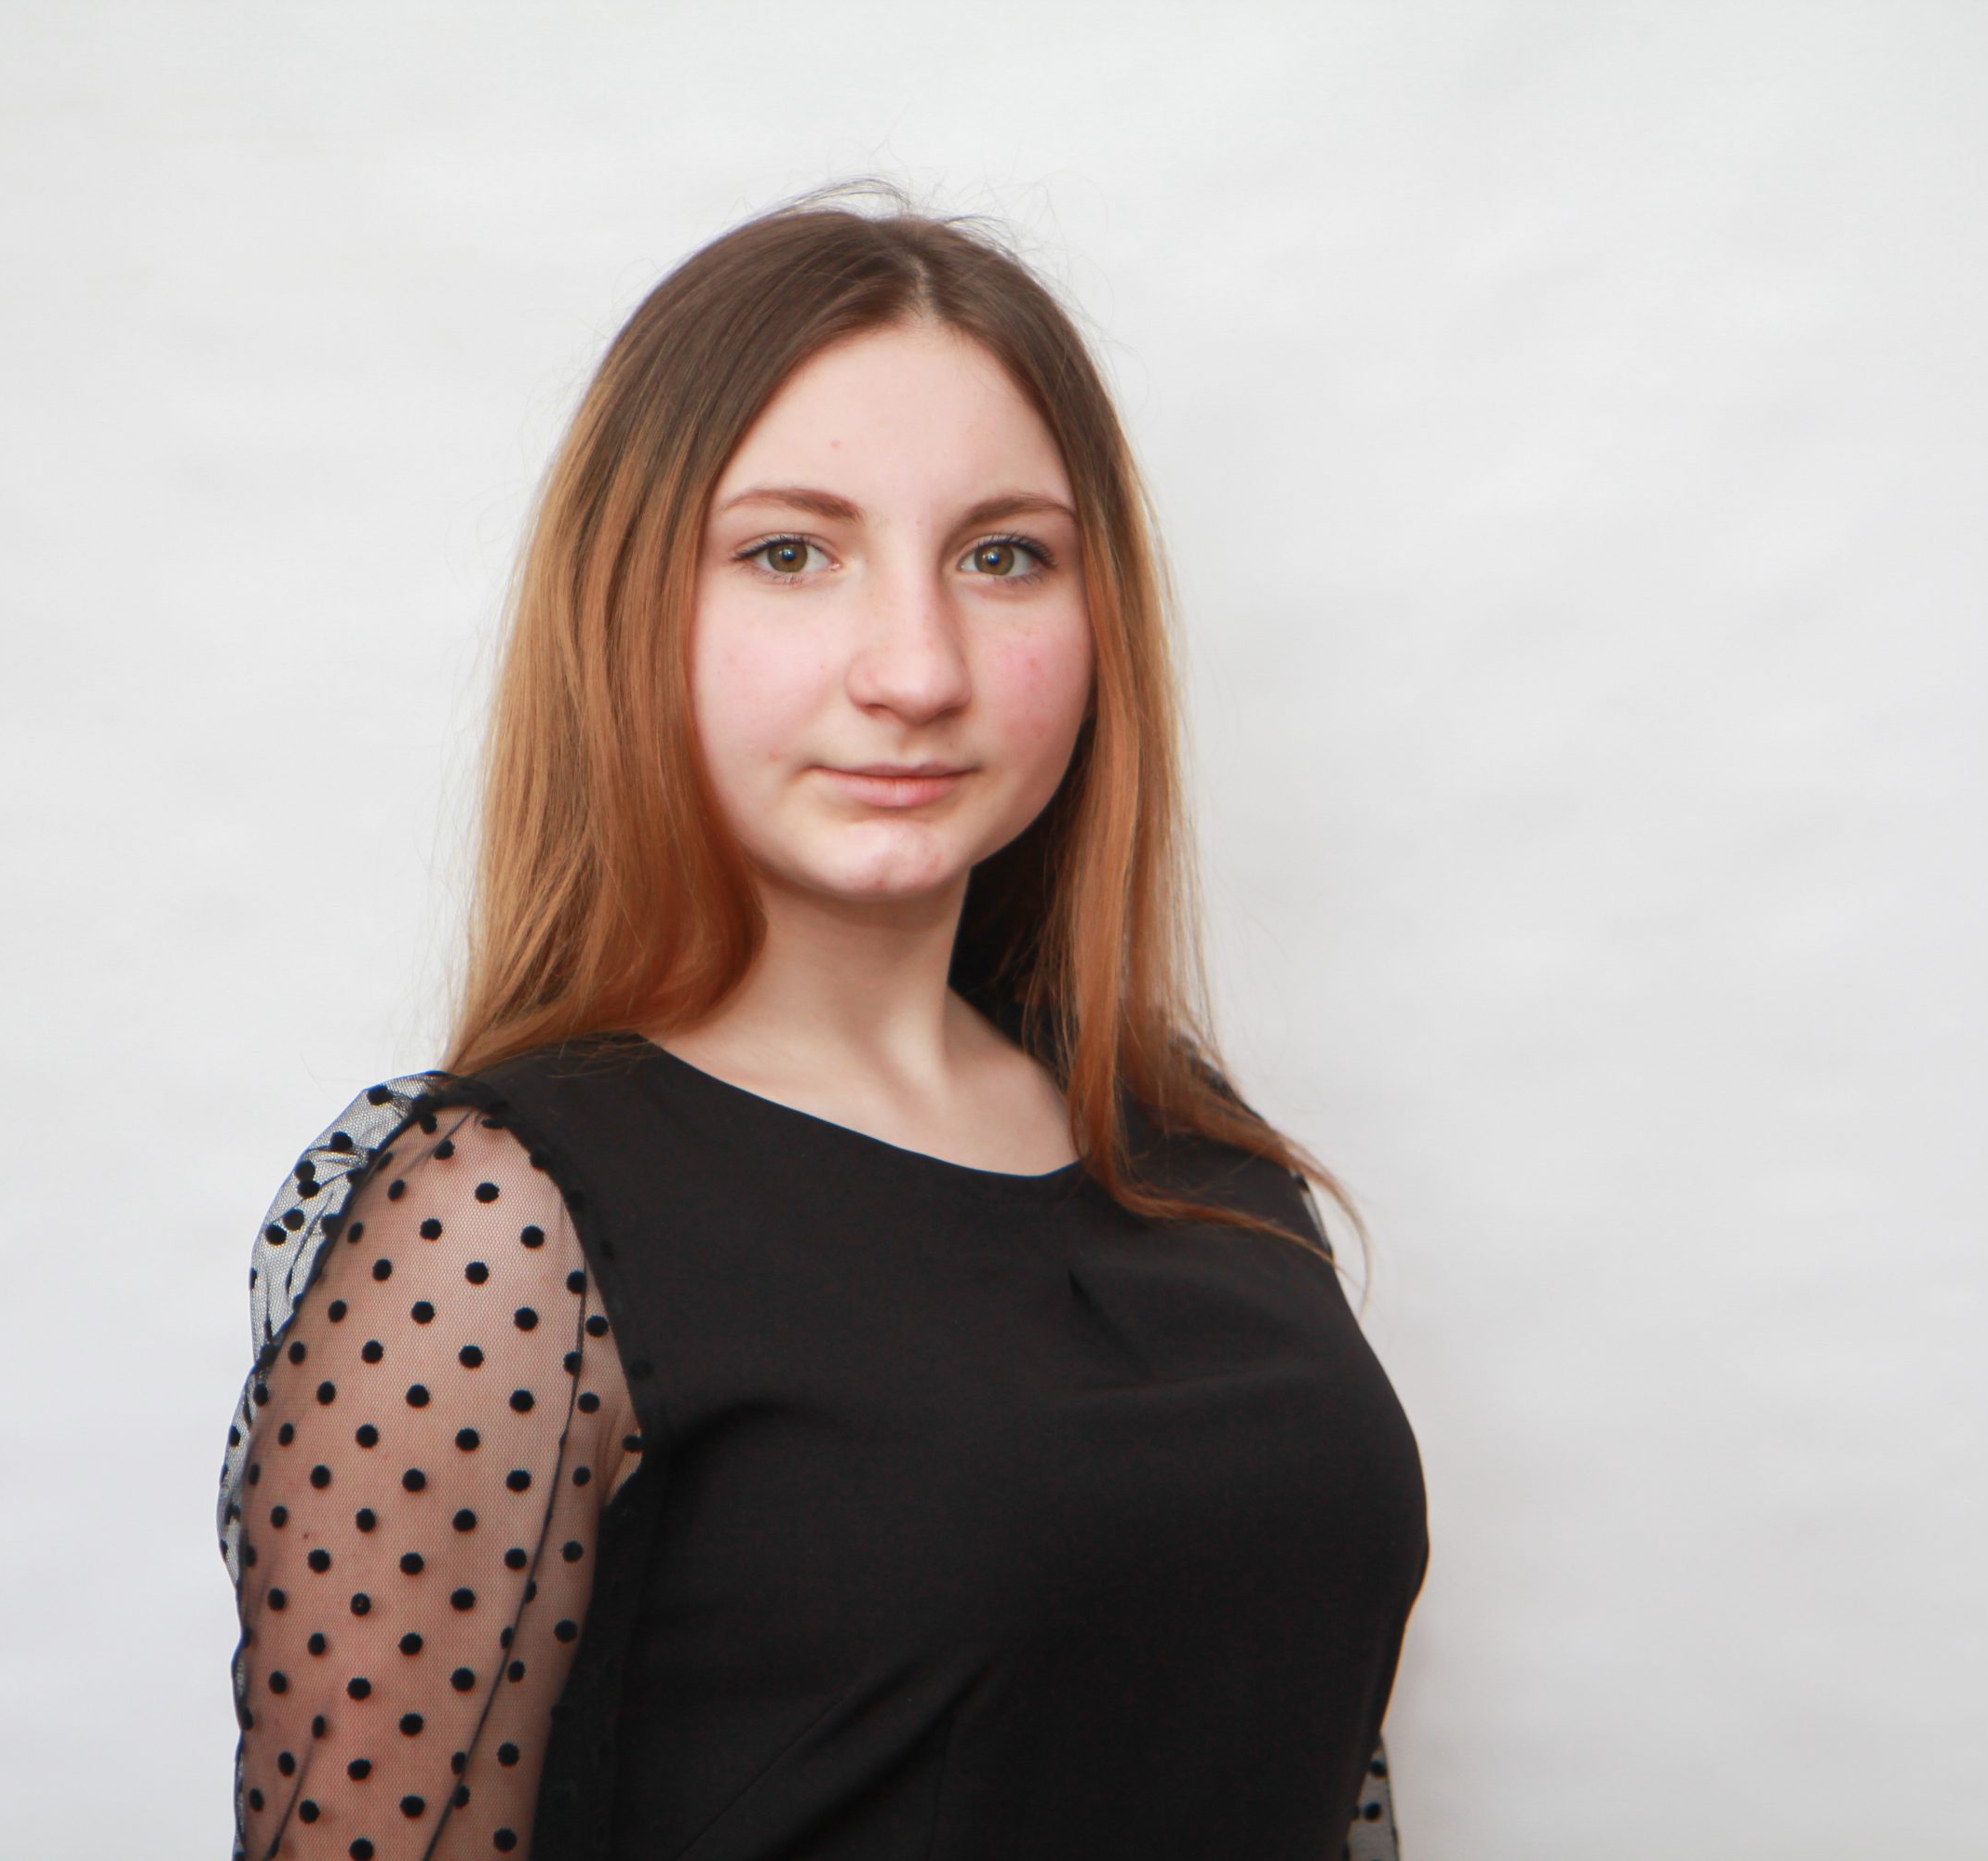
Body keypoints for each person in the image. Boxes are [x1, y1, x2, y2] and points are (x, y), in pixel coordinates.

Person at [216, 181, 1429, 1861]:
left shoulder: (1190, 1146)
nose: (915, 670)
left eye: (1003, 556)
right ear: (631, 605)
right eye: (791, 553)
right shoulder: (498, 1226)